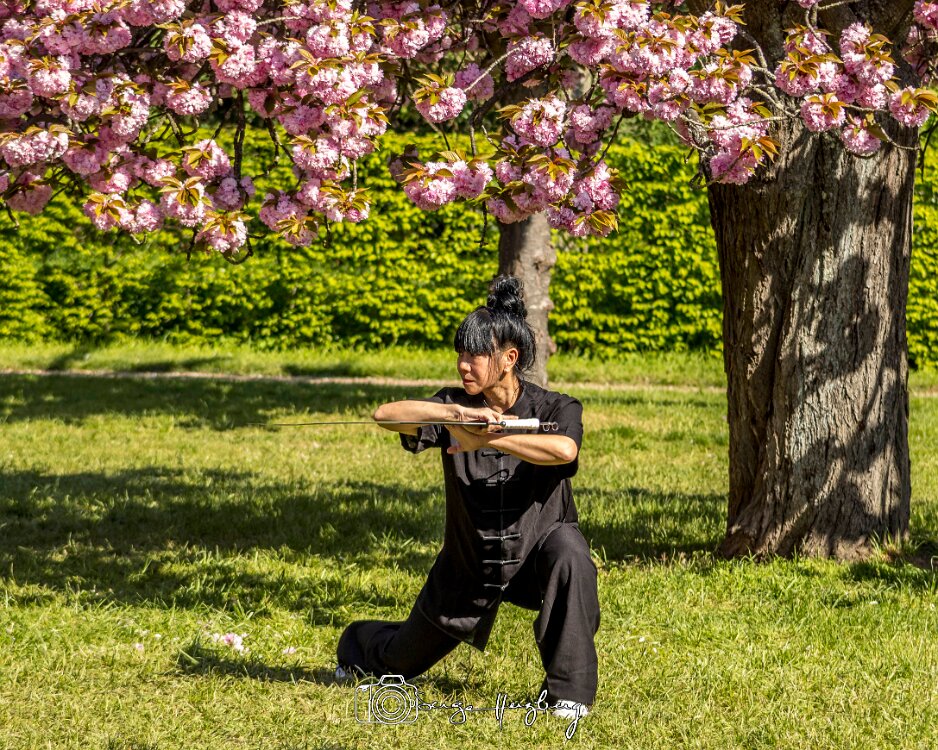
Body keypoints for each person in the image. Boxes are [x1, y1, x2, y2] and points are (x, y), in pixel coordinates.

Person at [336, 275, 599, 720]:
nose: (463, 365)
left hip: (537, 555)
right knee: (398, 660)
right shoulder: (454, 407)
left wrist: (492, 438)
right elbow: (386, 415)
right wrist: (454, 413)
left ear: (509, 359)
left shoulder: (557, 407)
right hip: (469, 565)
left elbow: (564, 451)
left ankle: (568, 694)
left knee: (570, 552)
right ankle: (358, 646)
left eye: (475, 355)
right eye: (460, 353)